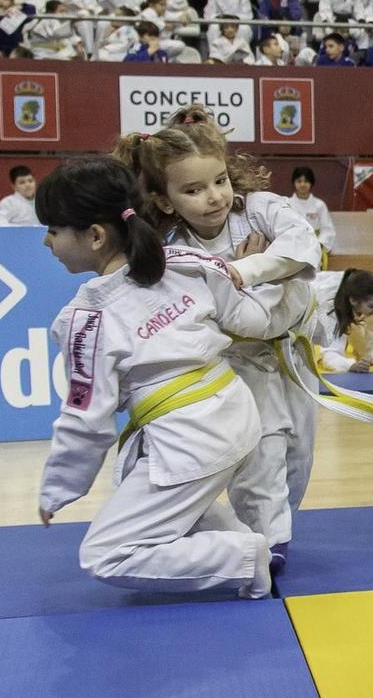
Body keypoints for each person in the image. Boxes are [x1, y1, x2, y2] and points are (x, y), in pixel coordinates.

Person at [35, 155, 296, 598]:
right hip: (232, 411)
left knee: (105, 554)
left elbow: (86, 422)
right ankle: (234, 535)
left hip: (193, 435)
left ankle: (244, 558)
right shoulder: (186, 262)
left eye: (54, 230)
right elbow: (248, 318)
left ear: (95, 235)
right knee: (134, 477)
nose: (47, 241)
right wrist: (263, 282)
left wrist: (58, 488)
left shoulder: (86, 319)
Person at [119, 113, 320, 574]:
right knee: (262, 450)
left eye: (220, 181)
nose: (213, 197)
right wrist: (265, 282)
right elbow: (233, 319)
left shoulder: (260, 207)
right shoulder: (173, 249)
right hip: (240, 360)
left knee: (299, 454)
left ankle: (274, 527)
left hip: (296, 348)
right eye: (192, 190)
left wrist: (245, 272)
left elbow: (302, 241)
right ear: (164, 202)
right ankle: (267, 544)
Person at [312, 268, 373, 374]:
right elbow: (329, 354)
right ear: (354, 301)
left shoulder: (360, 289)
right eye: (372, 305)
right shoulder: (331, 310)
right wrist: (350, 365)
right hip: (296, 310)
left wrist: (370, 355)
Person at [290, 166, 337, 263]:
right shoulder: (287, 204)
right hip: (293, 247)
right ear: (294, 183)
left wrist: (318, 245)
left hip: (315, 247)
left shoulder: (319, 205)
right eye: (299, 181)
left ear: (311, 183)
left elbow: (328, 230)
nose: (302, 184)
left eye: (306, 181)